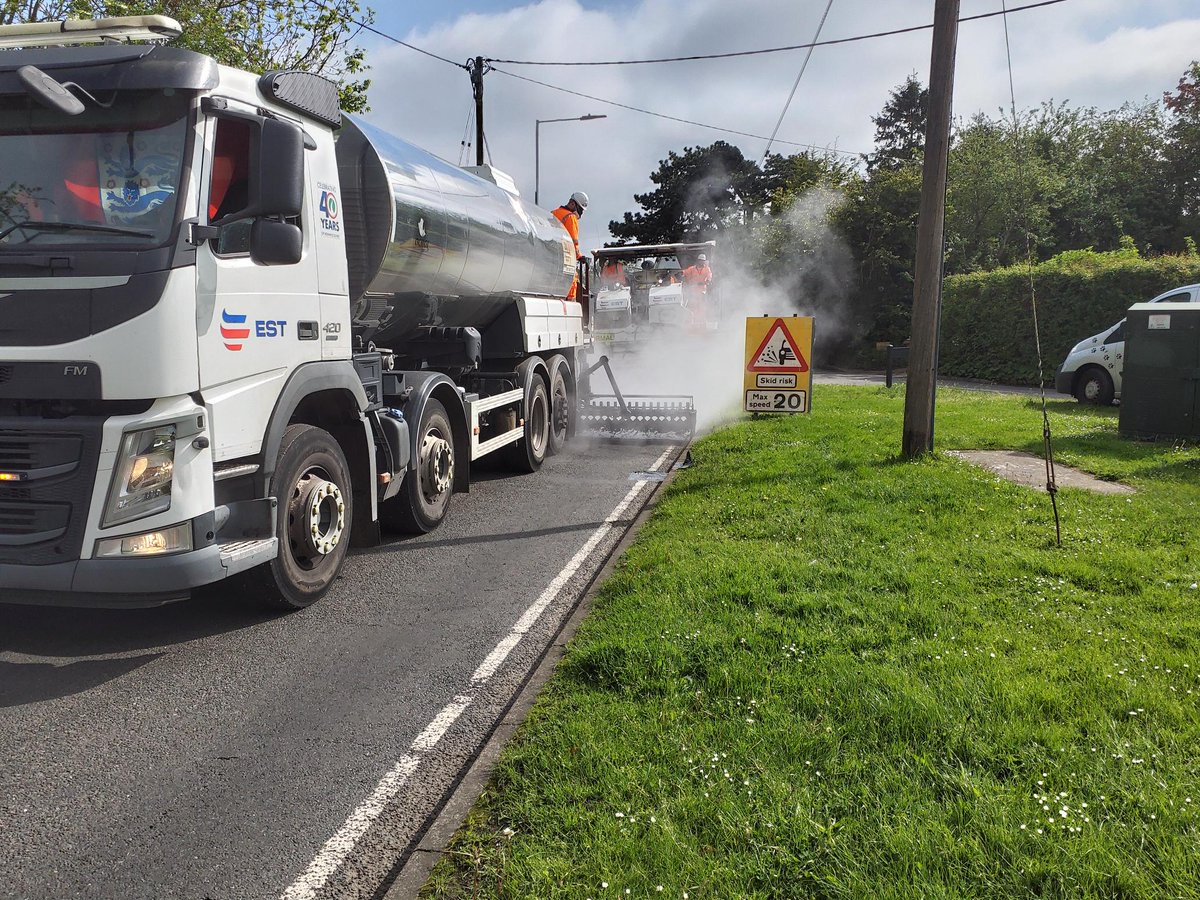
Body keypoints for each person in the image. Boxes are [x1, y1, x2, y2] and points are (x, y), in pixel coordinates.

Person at [553, 191, 588, 300]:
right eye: (580, 209)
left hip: (551, 257)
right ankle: (569, 302)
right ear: (573, 204)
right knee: (572, 278)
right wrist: (580, 257)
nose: (580, 213)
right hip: (565, 258)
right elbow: (573, 242)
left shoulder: (553, 213)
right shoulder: (570, 217)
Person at [681, 253, 713, 326]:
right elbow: (685, 272)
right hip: (693, 291)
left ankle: (703, 321)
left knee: (702, 306)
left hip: (702, 291)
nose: (702, 262)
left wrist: (708, 280)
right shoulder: (692, 269)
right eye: (701, 260)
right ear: (698, 261)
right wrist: (681, 273)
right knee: (693, 306)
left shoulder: (707, 269)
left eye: (703, 261)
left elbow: (709, 275)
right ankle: (692, 322)